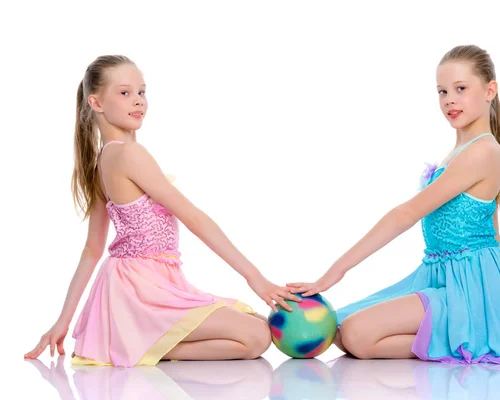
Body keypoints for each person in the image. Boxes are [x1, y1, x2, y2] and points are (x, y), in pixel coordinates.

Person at [287, 45, 500, 363]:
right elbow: (493, 231)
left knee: (358, 335)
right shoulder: (458, 153)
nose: (449, 100)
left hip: (466, 285)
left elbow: (407, 213)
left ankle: (479, 333)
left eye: (461, 89)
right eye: (442, 91)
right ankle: (480, 331)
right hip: (439, 275)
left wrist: (336, 271)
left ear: (489, 91)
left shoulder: (483, 151)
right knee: (343, 329)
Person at [24, 55, 298, 367]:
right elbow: (192, 217)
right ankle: (134, 347)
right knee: (257, 335)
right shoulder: (127, 154)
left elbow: (92, 249)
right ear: (97, 103)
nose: (138, 101)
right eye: (125, 93)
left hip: (152, 284)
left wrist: (63, 321)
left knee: (256, 329)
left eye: (142, 92)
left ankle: (130, 343)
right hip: (139, 290)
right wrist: (255, 278)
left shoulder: (105, 158)